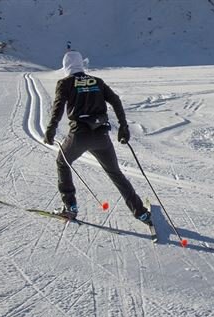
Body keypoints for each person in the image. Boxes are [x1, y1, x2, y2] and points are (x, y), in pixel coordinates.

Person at [44, 49, 151, 226]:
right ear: (80, 64)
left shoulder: (65, 83)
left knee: (63, 162)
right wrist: (123, 126)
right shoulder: (97, 82)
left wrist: (51, 129)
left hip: (79, 137)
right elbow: (115, 100)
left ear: (66, 66)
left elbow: (58, 108)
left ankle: (70, 206)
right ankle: (140, 212)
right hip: (101, 137)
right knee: (115, 173)